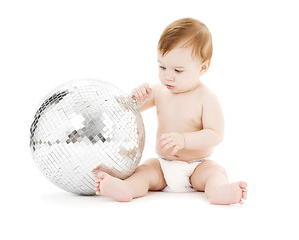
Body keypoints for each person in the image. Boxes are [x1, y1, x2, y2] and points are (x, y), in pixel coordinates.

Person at [92, 17, 247, 205]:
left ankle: (218, 192)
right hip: (163, 165)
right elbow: (128, 112)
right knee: (144, 171)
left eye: (178, 70)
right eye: (162, 66)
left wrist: (184, 140)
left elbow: (216, 134)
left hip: (197, 166)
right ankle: (127, 189)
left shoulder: (206, 98)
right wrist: (135, 99)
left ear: (203, 67)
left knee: (215, 172)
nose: (168, 76)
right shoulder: (159, 92)